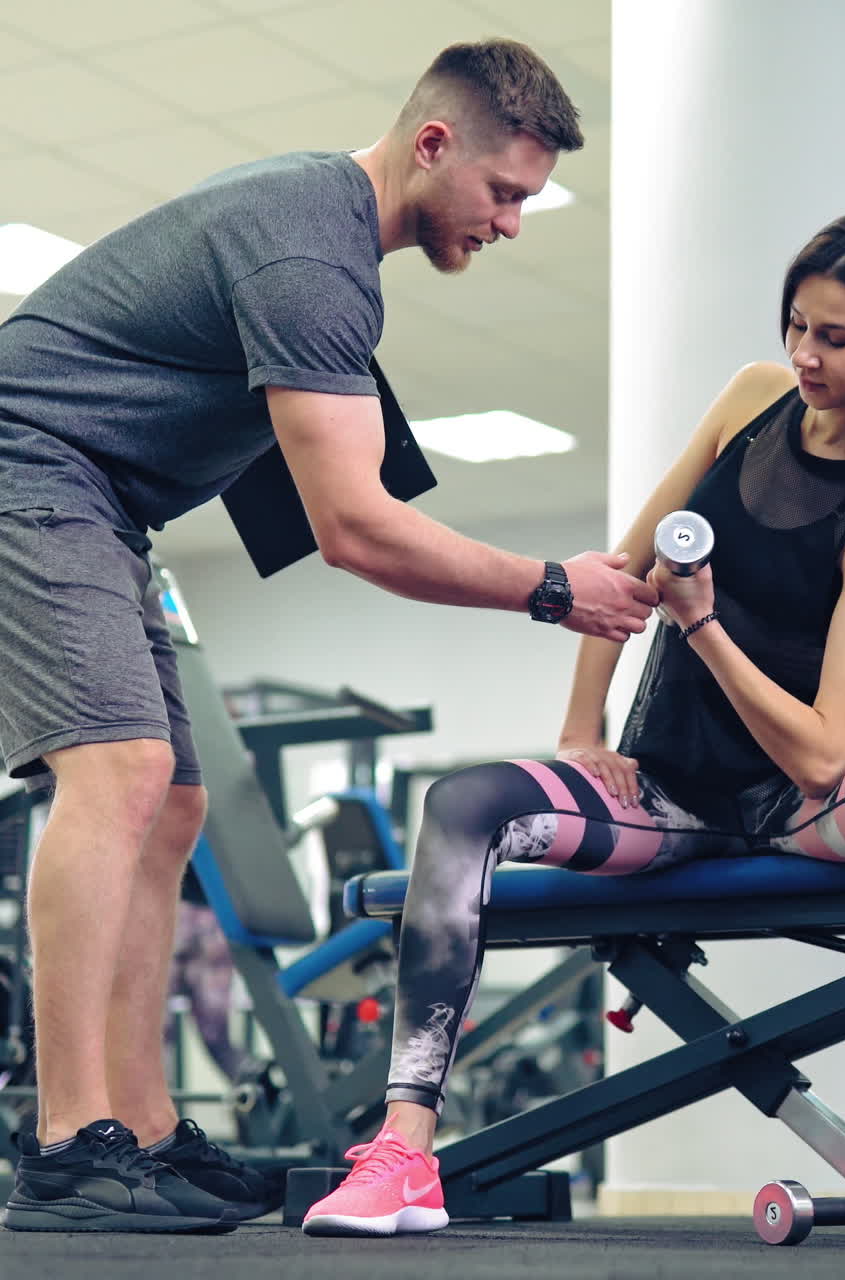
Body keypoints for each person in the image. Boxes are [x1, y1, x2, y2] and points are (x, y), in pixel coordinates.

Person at [302, 205, 845, 1246]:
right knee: (463, 802)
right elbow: (621, 574)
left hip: (797, 807)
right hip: (663, 797)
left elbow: (825, 753)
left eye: (835, 337)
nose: (803, 355)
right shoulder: (751, 402)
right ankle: (404, 1151)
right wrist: (581, 729)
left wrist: (703, 626)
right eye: (795, 325)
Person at [0, 39, 656, 1235]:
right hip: (31, 468)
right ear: (432, 143)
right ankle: (65, 1146)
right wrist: (553, 586)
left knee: (176, 800)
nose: (511, 223)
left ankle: (142, 1128)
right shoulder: (312, 254)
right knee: (122, 767)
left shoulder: (326, 238)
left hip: (108, 503)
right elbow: (353, 528)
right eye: (503, 191)